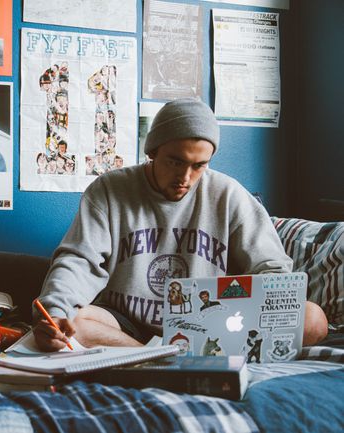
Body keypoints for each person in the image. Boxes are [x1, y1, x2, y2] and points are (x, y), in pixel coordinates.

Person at [33, 98, 328, 351]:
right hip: (126, 324)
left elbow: (273, 272)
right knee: (76, 323)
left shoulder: (229, 195)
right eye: (175, 162)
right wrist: (55, 313)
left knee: (313, 318)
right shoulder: (109, 190)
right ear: (152, 152)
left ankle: (171, 357)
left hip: (212, 321)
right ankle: (160, 359)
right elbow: (78, 260)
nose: (185, 178)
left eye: (199, 165)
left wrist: (232, 299)